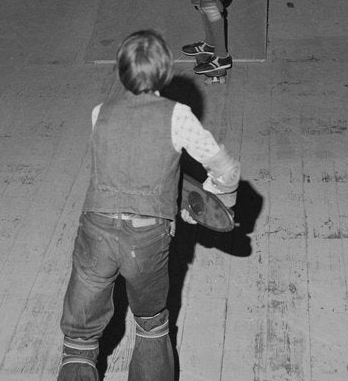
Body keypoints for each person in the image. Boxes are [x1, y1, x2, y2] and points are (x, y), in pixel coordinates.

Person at [56, 29, 240, 381]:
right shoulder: (177, 115)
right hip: (145, 237)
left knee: (79, 340)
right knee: (152, 326)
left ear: (120, 71)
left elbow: (127, 161)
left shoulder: (100, 112)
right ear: (165, 73)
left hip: (96, 232)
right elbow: (226, 169)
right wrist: (216, 198)